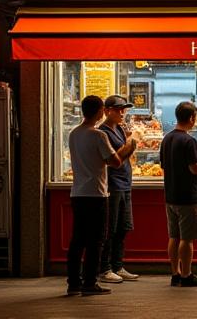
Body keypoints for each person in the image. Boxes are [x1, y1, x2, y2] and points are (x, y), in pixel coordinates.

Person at [67, 95, 134, 296]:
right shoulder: (99, 136)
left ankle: (73, 283)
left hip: (77, 192)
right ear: (100, 111)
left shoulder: (74, 134)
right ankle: (90, 282)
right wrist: (130, 143)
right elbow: (115, 162)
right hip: (97, 193)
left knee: (77, 240)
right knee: (96, 240)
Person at [160, 101, 197, 287]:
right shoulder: (189, 140)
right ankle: (186, 275)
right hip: (188, 196)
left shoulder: (167, 138)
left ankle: (175, 273)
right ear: (192, 118)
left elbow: (163, 166)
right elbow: (196, 168)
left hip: (171, 194)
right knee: (187, 238)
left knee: (174, 236)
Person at [98, 95, 139, 284]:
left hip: (125, 184)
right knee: (110, 229)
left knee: (123, 227)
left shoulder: (121, 130)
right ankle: (104, 269)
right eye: (118, 109)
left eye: (124, 109)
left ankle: (117, 265)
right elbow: (115, 160)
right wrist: (131, 142)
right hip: (112, 185)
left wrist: (129, 141)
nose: (122, 112)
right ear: (106, 111)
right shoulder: (103, 132)